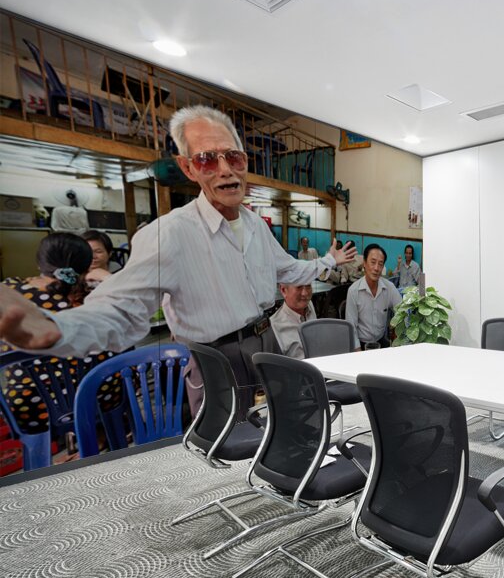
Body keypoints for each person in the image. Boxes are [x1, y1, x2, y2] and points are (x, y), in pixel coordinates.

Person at [0, 104, 357, 419]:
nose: (225, 170)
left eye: (233, 157)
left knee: (282, 424)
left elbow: (288, 268)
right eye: (206, 159)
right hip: (216, 356)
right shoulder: (168, 234)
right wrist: (57, 329)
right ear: (188, 168)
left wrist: (328, 260)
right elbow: (122, 309)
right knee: (225, 446)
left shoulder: (254, 225)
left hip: (266, 341)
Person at [1, 233, 121, 441]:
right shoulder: (97, 299)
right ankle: (107, 436)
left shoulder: (10, 291)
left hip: (28, 405)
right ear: (87, 267)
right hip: (94, 399)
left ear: (39, 262)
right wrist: (108, 280)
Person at [345, 243, 402, 350]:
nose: (376, 268)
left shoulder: (389, 287)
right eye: (373, 262)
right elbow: (351, 327)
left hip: (381, 342)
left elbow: (402, 311)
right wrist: (358, 352)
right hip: (360, 344)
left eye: (380, 264)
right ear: (364, 264)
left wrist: (396, 329)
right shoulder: (353, 291)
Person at [270, 283, 316, 359]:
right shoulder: (275, 327)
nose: (305, 293)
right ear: (284, 290)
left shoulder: (309, 306)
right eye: (299, 287)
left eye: (308, 286)